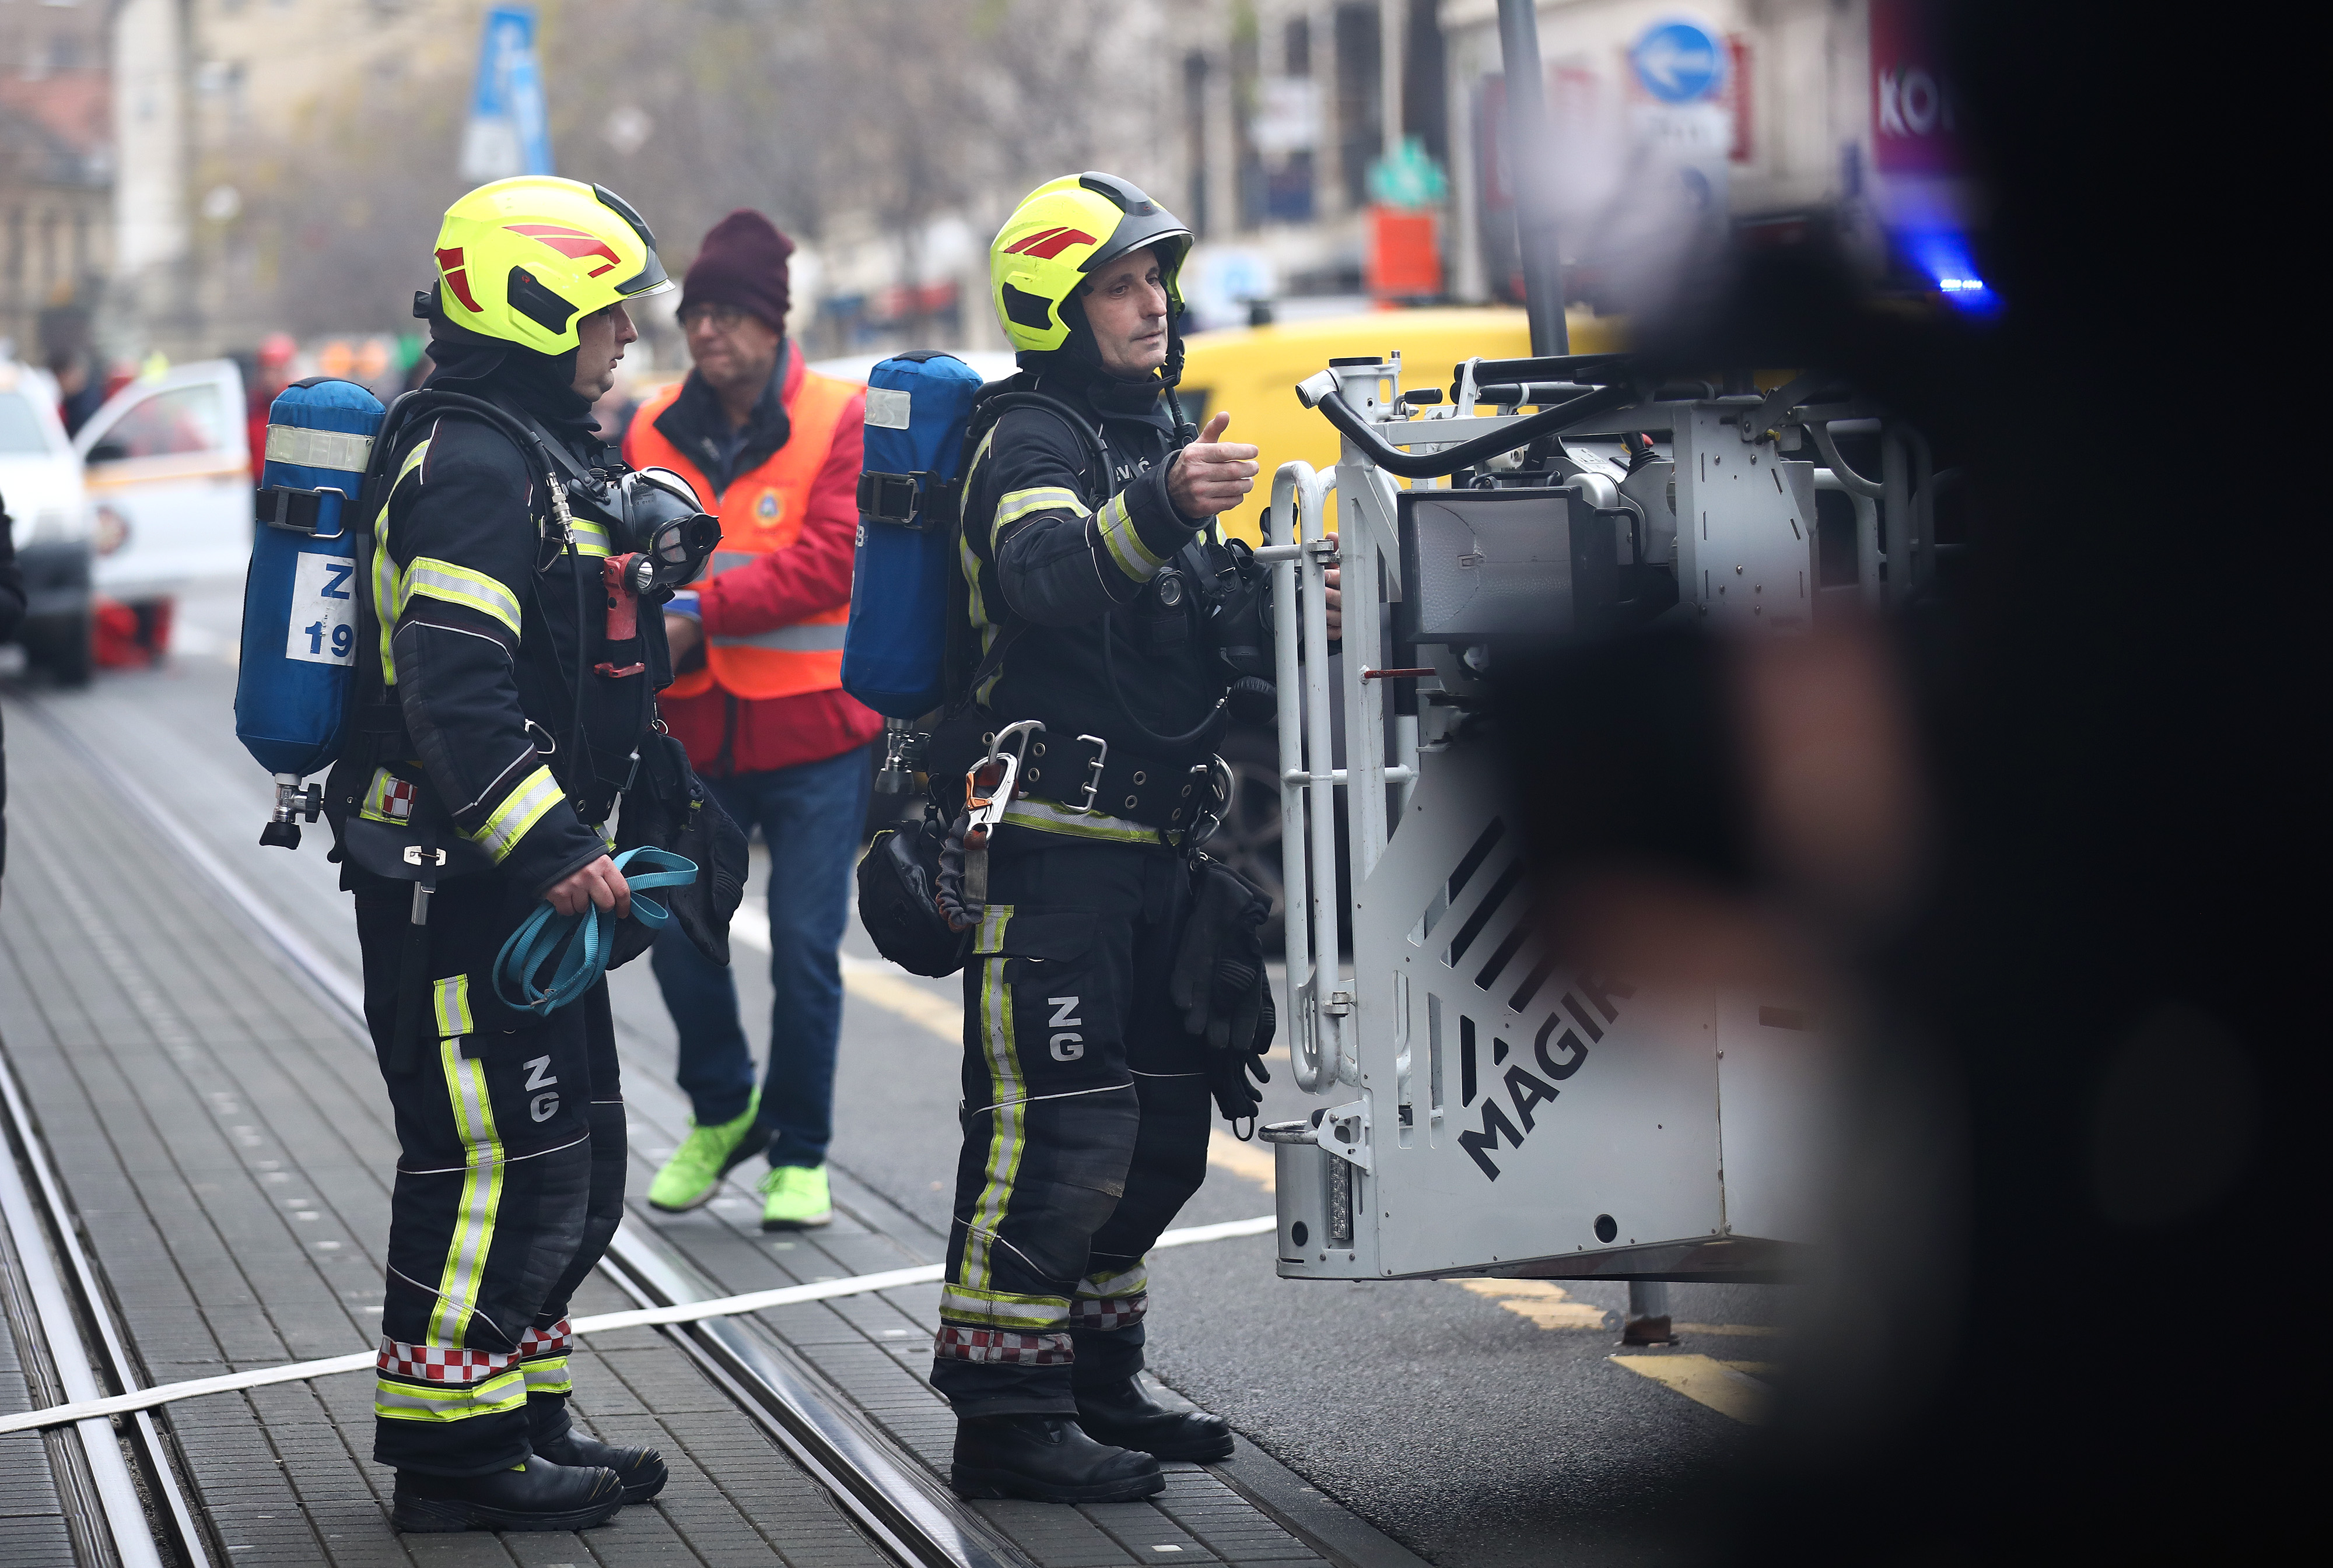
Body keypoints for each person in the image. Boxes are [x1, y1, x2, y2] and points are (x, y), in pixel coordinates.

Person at [924, 171, 1337, 1504]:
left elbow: (1197, 639)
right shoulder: (1025, 438)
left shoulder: (1151, 428)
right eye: (1119, 281)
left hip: (1165, 854)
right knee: (1051, 1135)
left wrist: (1299, 610)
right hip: (1047, 852)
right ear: (1055, 301)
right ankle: (1005, 1410)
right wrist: (1163, 501)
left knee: (1158, 1134)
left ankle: (1097, 1378)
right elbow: (1043, 578)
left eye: (1156, 276)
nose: (1150, 302)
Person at [325, 175, 678, 1534]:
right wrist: (549, 847)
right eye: (605, 315)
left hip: (517, 880)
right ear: (537, 310)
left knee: (573, 1152)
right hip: (458, 886)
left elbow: (572, 668)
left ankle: (519, 1406)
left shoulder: (529, 448)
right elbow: (457, 694)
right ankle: (452, 1458)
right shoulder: (471, 465)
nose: (626, 341)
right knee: (492, 1160)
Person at [624, 211, 875, 1232]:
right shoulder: (647, 430)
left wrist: (695, 612)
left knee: (809, 951)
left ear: (774, 324)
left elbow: (829, 560)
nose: (709, 331)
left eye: (729, 313)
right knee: (678, 936)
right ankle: (726, 1111)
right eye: (697, 314)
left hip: (816, 735)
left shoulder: (839, 417)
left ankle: (802, 1154)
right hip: (691, 733)